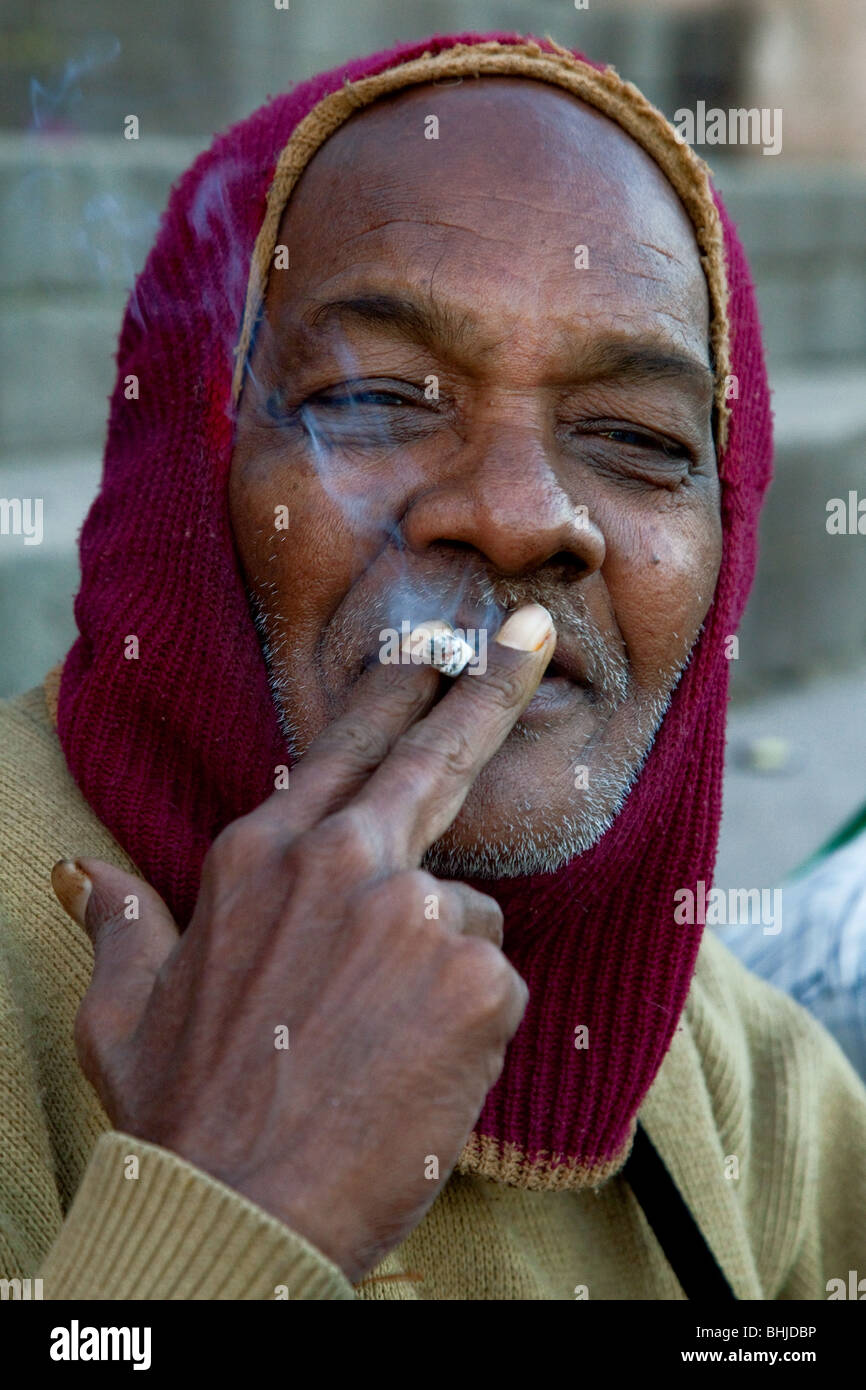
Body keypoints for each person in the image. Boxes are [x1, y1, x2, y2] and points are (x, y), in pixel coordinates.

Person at [1, 31, 864, 1301]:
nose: (516, 517)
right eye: (377, 402)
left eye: (632, 437)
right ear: (184, 470)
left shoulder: (753, 1081)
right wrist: (225, 1216)